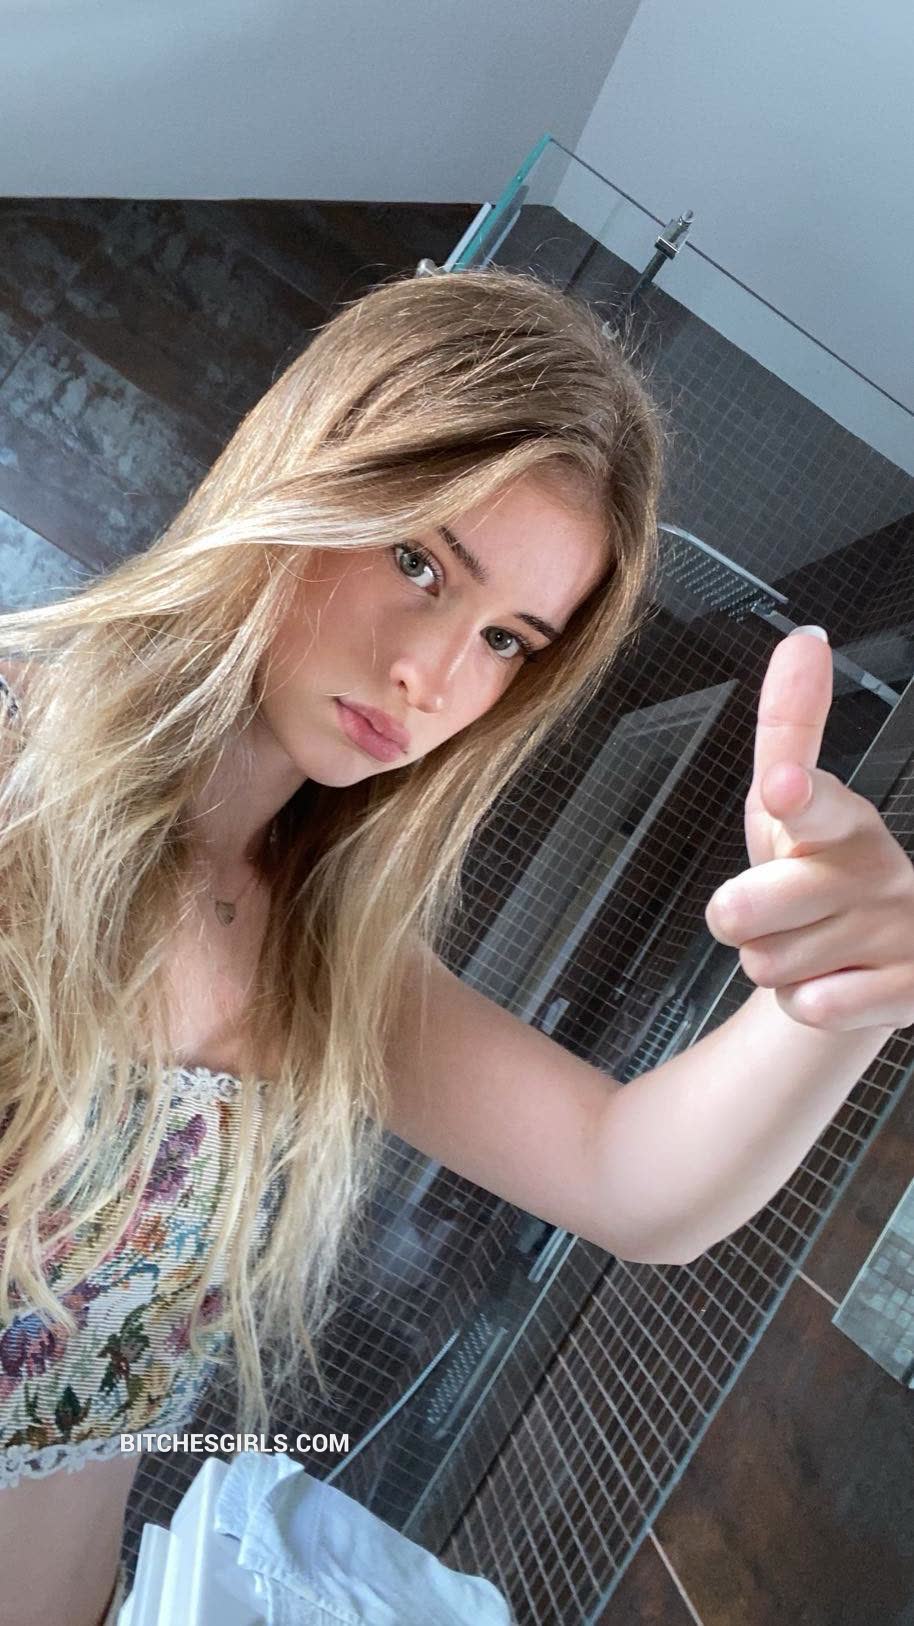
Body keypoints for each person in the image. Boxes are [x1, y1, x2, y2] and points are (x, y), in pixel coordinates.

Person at [0, 265, 911, 1626]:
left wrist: (844, 992)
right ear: (312, 472)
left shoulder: (327, 957)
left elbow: (633, 1178)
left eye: (504, 638)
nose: (434, 674)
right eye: (417, 561)